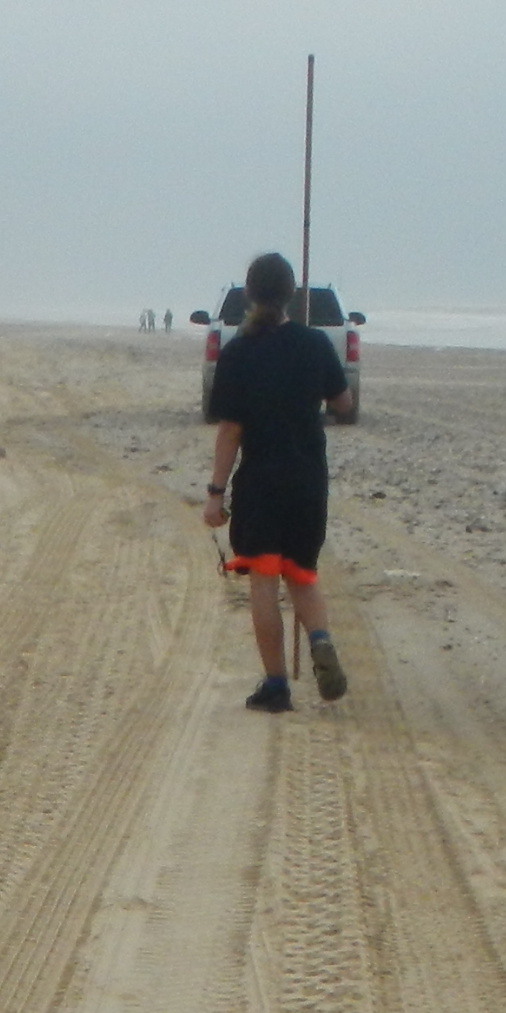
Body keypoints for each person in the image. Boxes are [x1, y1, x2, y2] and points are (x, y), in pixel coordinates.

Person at [201, 250, 353, 710]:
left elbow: (230, 431)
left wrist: (215, 494)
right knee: (303, 575)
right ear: (291, 294)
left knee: (264, 580)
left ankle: (276, 686)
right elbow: (344, 405)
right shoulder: (313, 345)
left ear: (249, 293)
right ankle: (321, 638)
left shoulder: (238, 353)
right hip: (307, 479)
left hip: (261, 482)